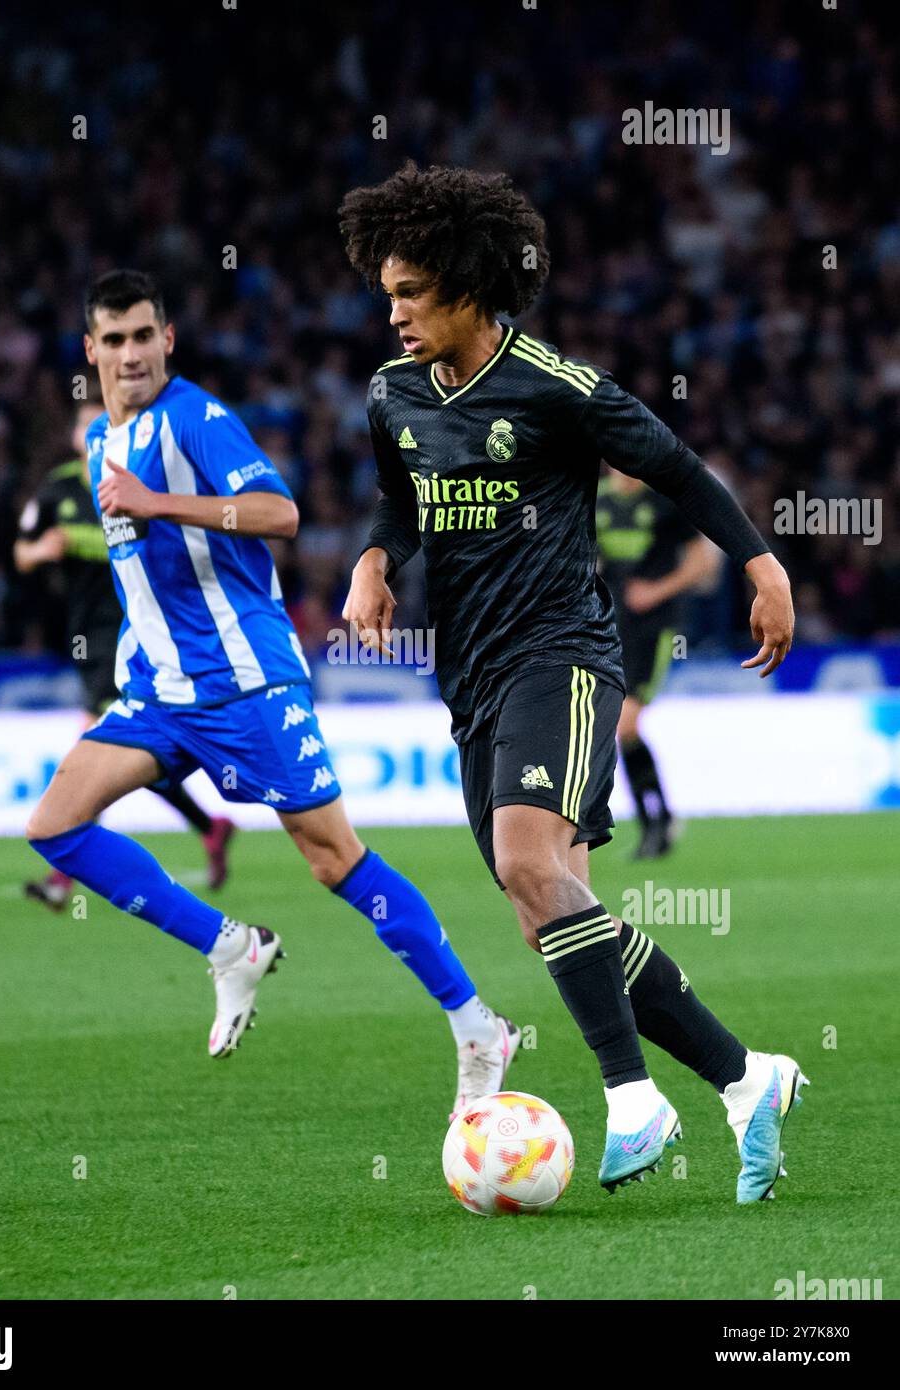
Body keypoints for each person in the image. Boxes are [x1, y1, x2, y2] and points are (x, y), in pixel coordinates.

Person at [339, 162, 807, 1201]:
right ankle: (746, 1079)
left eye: (410, 290)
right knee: (545, 902)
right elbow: (394, 498)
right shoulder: (391, 394)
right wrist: (374, 562)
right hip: (469, 679)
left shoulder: (557, 386)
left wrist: (762, 565)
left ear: (465, 283)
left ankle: (632, 1098)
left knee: (524, 859)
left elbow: (681, 466)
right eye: (386, 293)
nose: (395, 311)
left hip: (564, 656)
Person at [25, 268, 518, 1116]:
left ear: (167, 339)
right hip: (162, 688)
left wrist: (159, 504)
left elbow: (278, 513)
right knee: (55, 826)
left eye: (145, 335)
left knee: (334, 860)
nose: (132, 353)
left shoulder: (196, 419)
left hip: (246, 682)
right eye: (115, 340)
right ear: (91, 350)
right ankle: (228, 945)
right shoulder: (103, 440)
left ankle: (477, 1025)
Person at [15, 400, 236, 904]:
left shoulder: (141, 482)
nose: (91, 431)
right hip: (85, 635)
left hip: (134, 629)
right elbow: (21, 552)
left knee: (96, 742)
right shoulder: (59, 487)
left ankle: (64, 870)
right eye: (83, 422)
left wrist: (73, 540)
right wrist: (40, 550)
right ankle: (209, 825)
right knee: (131, 750)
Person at [594, 467, 721, 857]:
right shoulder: (593, 497)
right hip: (606, 624)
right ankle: (659, 822)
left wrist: (657, 590)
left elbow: (704, 564)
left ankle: (657, 822)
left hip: (656, 628)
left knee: (625, 721)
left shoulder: (662, 500)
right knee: (620, 727)